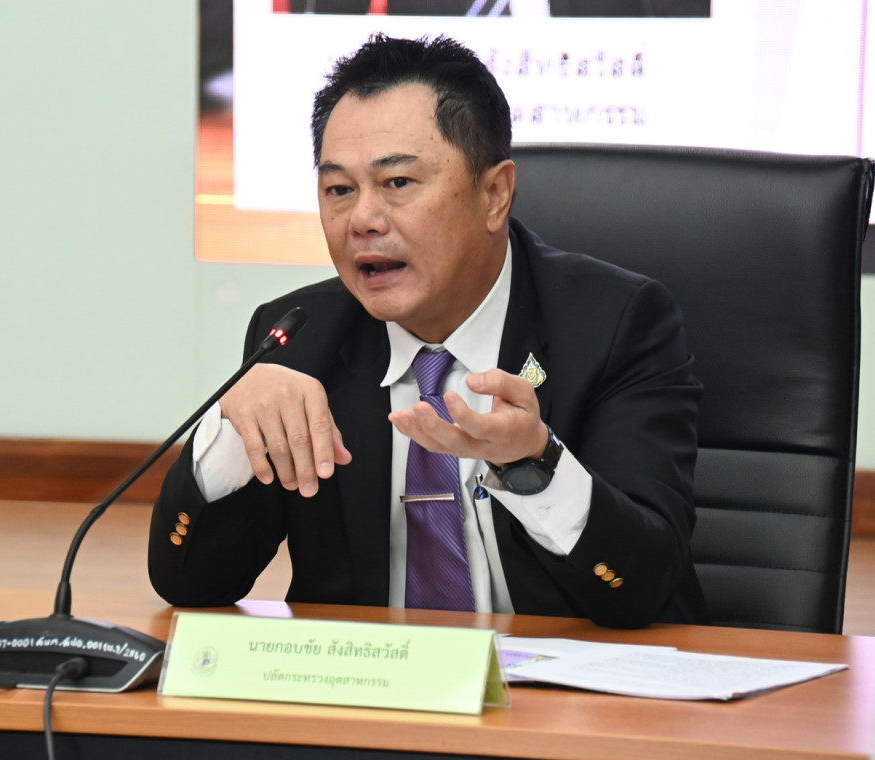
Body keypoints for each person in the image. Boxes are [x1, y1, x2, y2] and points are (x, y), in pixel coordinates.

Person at [149, 33, 707, 628]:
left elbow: (642, 588)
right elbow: (191, 585)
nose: (363, 220)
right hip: (370, 679)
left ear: (494, 195)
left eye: (398, 183)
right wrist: (230, 434)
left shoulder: (616, 323)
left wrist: (534, 464)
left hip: (560, 680)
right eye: (339, 190)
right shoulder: (297, 341)